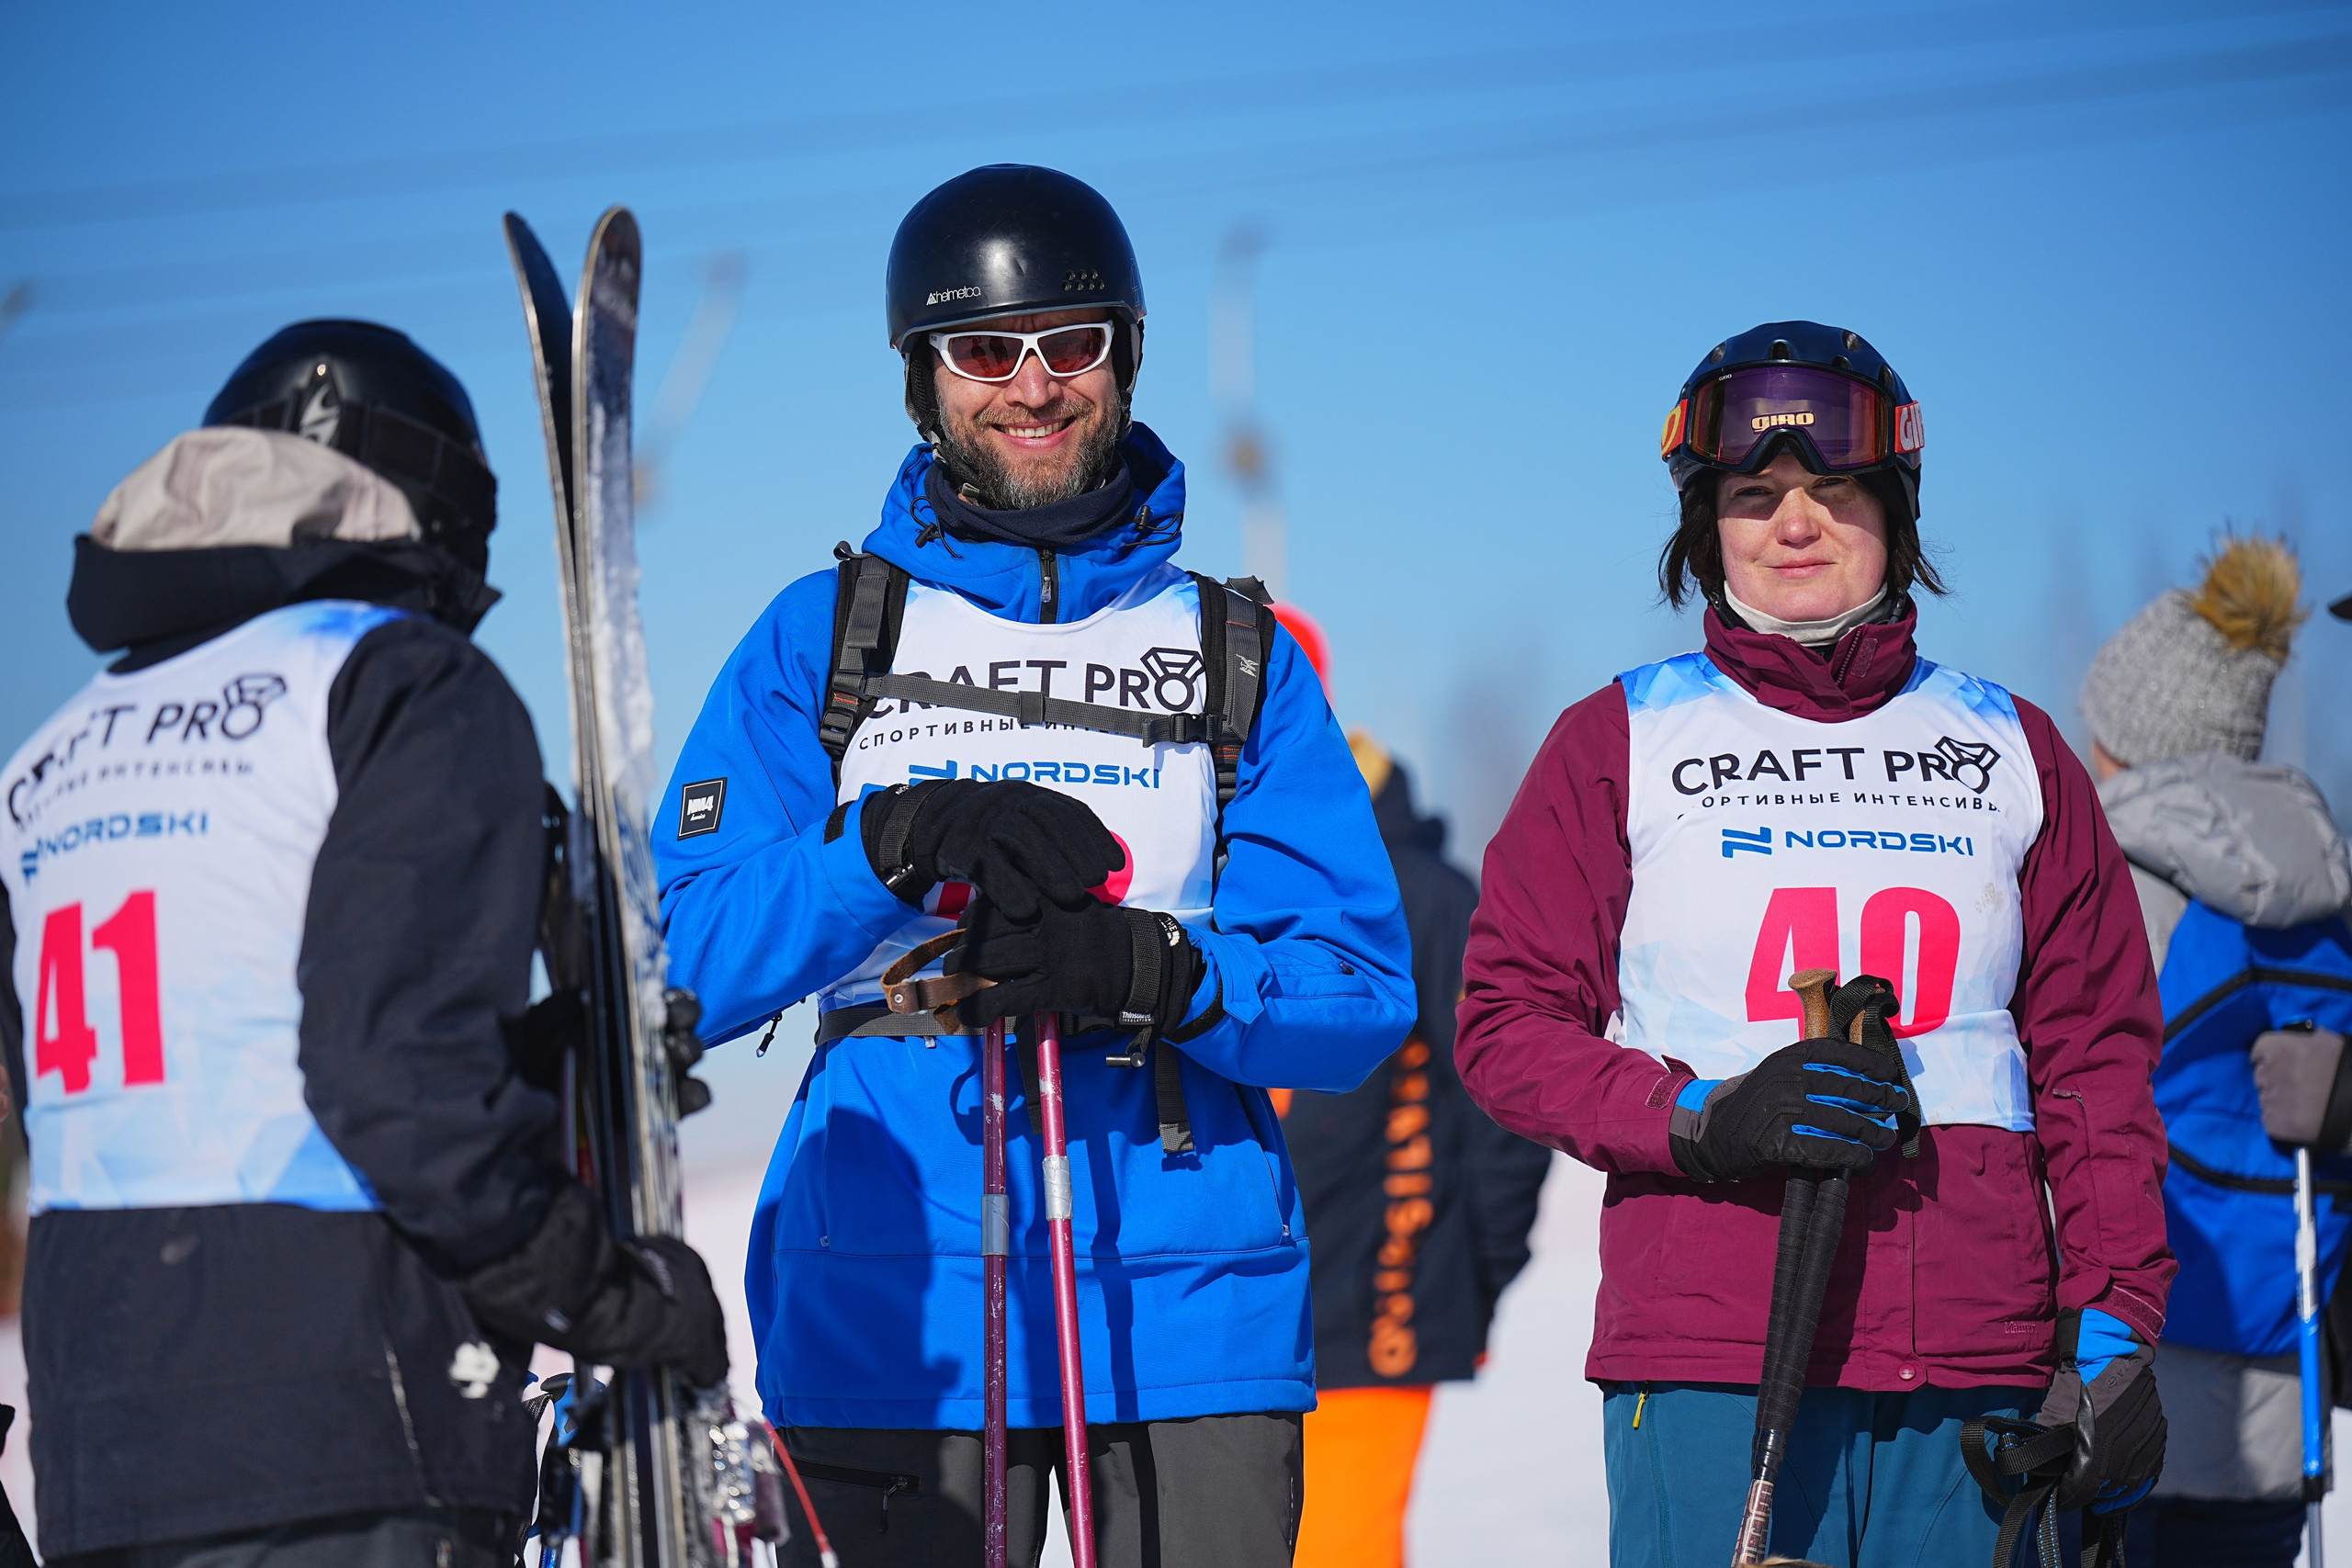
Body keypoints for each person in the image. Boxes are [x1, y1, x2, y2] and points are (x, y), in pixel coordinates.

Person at [650, 164, 1414, 1568]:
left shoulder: (1235, 653)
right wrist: (881, 846)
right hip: (892, 1296)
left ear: (1123, 358)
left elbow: (1357, 987)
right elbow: (678, 962)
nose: (1034, 385)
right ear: (925, 379)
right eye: (985, 350)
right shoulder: (826, 639)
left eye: (1073, 344)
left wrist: (1161, 971)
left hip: (1187, 1301)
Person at [0, 321, 729, 1566]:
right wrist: (605, 1288)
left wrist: (544, 1061)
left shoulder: (52, 754)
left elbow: (175, 1062)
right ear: (440, 510)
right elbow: (396, 1082)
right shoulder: (398, 683)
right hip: (348, 1420)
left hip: (99, 1443)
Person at [1454, 321, 2174, 1567]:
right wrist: (1700, 1116)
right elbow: (1505, 1024)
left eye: (1832, 489)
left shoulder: (2013, 745)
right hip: (1714, 1352)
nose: (1795, 523)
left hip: (1973, 1358)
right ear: (1705, 530)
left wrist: (2112, 1325)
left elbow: (2097, 1058)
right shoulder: (1617, 738)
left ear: (1893, 507)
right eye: (1753, 495)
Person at [2080, 535, 2352, 1568]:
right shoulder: (2321, 885)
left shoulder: (2111, 883)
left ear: (2129, 737)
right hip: (2281, 1386)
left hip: (2116, 1384)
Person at [1261, 606, 1553, 1568]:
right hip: (1198, 1323)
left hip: (1367, 1311)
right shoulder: (1180, 879)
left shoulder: (1421, 893)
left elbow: (1503, 1105)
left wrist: (1471, 1278)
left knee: (1338, 1550)